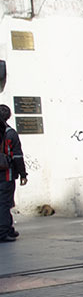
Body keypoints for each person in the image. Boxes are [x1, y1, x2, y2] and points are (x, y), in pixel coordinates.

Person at [1, 104, 28, 243]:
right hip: (6, 174)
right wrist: (23, 174)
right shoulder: (10, 133)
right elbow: (17, 156)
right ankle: (3, 231)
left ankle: (8, 228)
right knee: (5, 203)